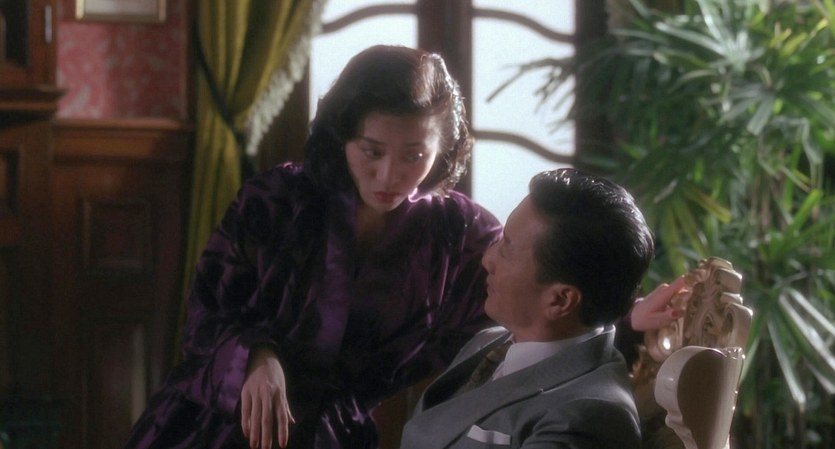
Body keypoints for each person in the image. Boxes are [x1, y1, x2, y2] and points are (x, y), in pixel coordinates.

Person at [125, 45, 682, 449]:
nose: (390, 175)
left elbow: (544, 298)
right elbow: (203, 319)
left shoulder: (458, 233)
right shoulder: (275, 202)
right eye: (371, 151)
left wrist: (627, 317)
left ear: (443, 151)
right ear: (344, 136)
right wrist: (255, 357)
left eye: (414, 156)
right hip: (210, 425)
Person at [400, 168, 655, 449]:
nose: (487, 259)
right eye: (501, 239)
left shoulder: (588, 417)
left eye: (507, 248)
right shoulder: (490, 342)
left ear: (559, 300)